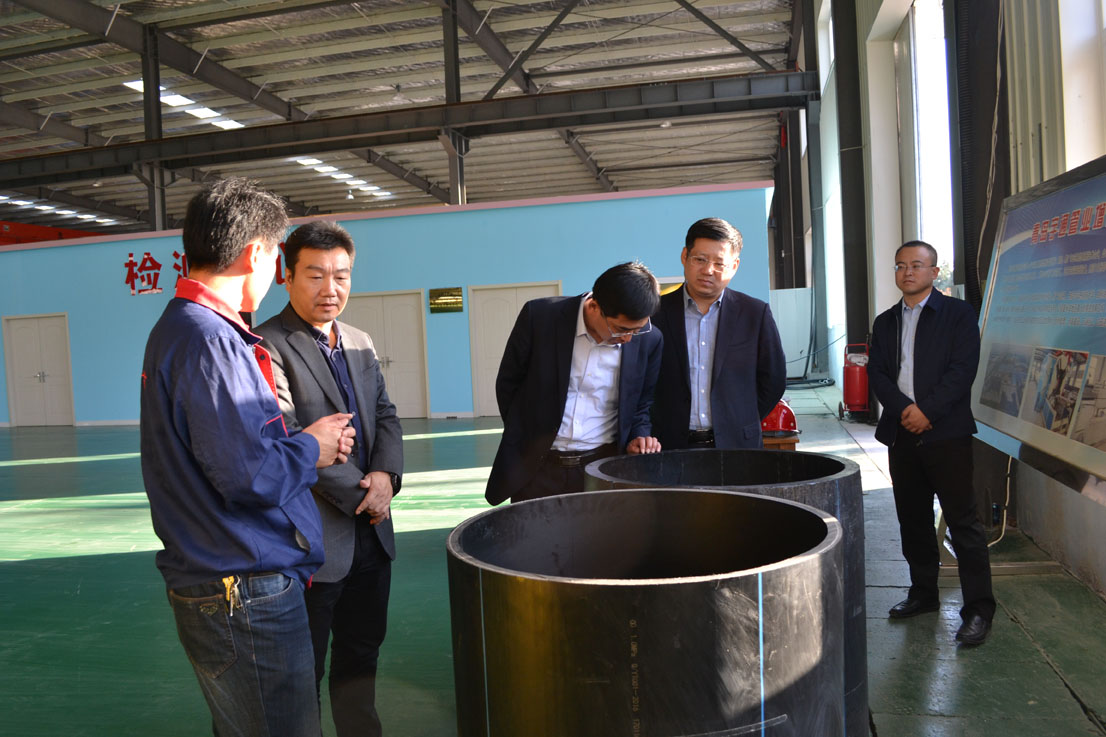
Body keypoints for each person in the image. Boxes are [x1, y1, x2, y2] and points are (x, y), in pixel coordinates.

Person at [140, 178, 356, 736]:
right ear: (256, 252)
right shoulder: (210, 339)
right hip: (243, 587)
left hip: (224, 577)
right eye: (278, 255)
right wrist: (313, 445)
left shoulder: (181, 328)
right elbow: (250, 475)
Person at [256, 221, 403, 737]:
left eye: (341, 275)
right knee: (306, 667)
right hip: (315, 539)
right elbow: (288, 434)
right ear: (287, 276)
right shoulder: (267, 345)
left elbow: (384, 414)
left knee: (361, 655)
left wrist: (385, 476)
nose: (330, 288)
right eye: (315, 275)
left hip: (373, 535)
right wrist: (366, 494)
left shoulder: (359, 341)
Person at [868, 240, 995, 646]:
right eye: (900, 265)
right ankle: (923, 593)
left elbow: (963, 370)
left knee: (963, 522)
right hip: (901, 433)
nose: (908, 272)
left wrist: (927, 412)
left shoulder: (958, 314)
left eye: (917, 265)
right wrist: (906, 409)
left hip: (947, 435)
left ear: (934, 272)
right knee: (913, 519)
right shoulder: (885, 322)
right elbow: (878, 374)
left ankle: (978, 610)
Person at [485, 261, 664, 505]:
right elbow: (508, 383)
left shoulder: (650, 340)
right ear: (595, 306)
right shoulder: (540, 317)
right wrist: (524, 433)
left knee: (599, 531)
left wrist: (639, 436)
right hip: (537, 467)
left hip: (601, 467)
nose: (628, 339)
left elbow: (641, 403)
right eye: (621, 329)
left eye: (638, 329)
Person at [651, 217, 786, 450]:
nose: (708, 270)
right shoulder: (655, 314)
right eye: (700, 259)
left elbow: (773, 380)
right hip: (669, 446)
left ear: (734, 266)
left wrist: (739, 419)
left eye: (719, 263)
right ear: (685, 256)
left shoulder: (755, 314)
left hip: (737, 446)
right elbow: (641, 381)